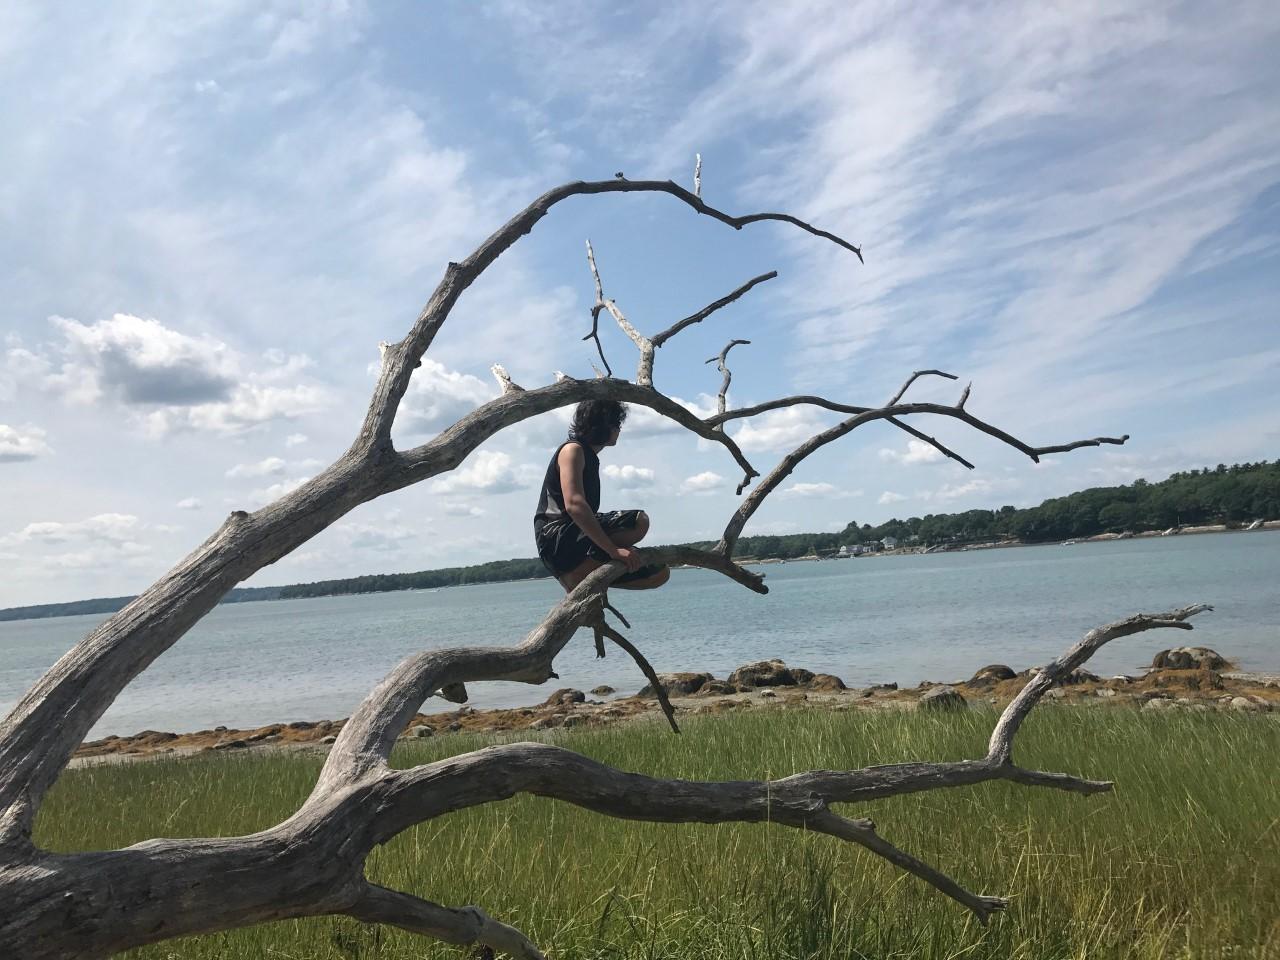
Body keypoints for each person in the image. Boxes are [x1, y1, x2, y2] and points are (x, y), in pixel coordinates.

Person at [534, 399, 670, 591]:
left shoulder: (589, 456)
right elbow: (574, 504)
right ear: (603, 426)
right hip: (556, 538)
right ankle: (576, 574)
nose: (619, 430)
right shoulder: (573, 450)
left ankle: (589, 573)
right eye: (617, 424)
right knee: (639, 521)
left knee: (659, 573)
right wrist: (613, 550)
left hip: (575, 537)